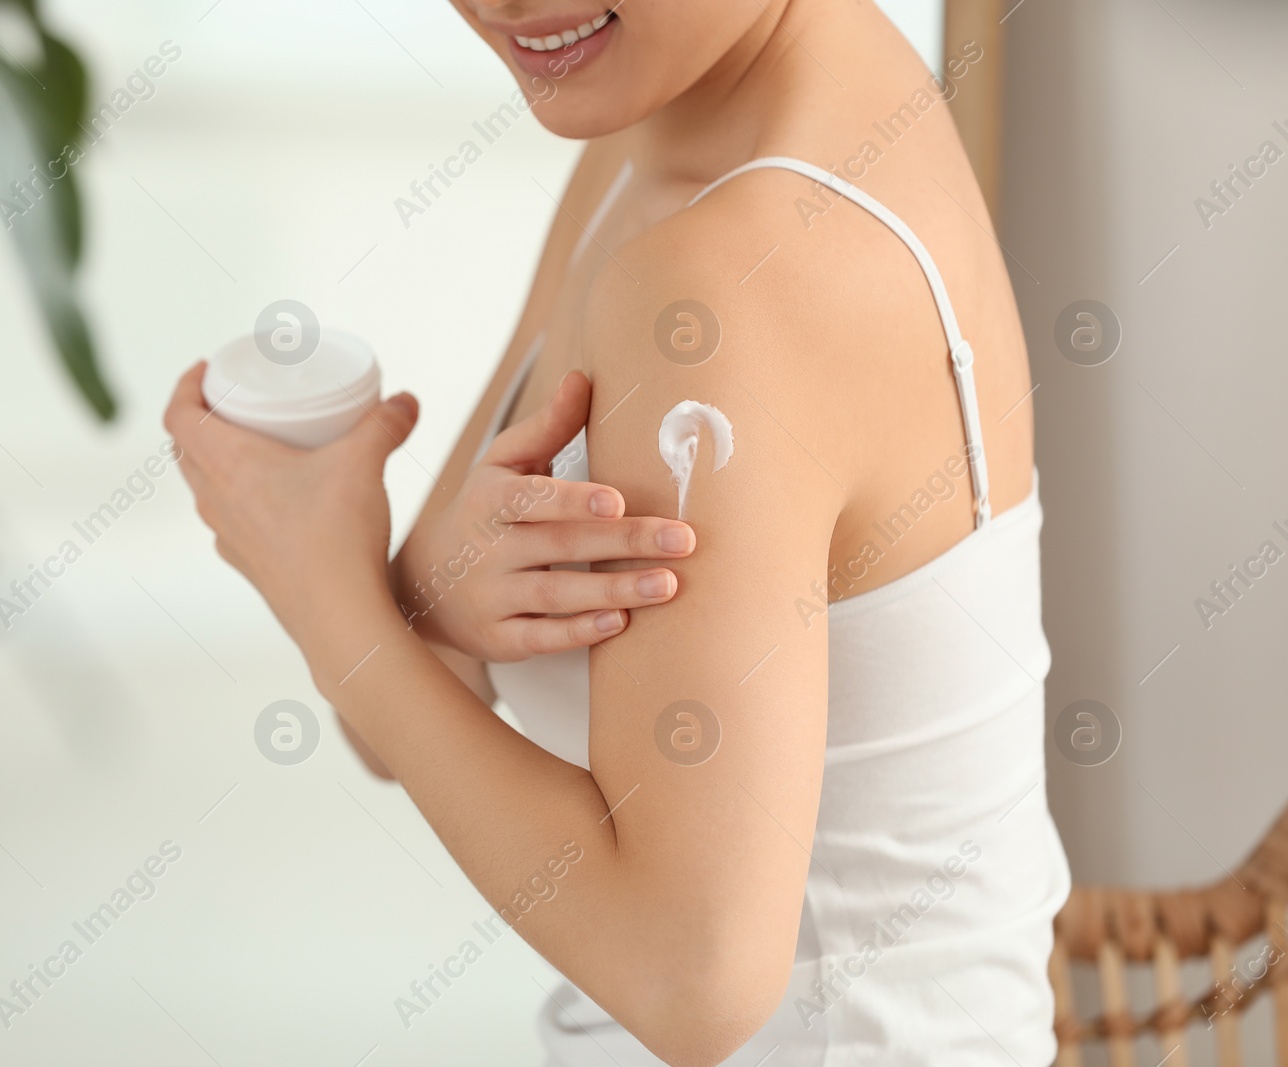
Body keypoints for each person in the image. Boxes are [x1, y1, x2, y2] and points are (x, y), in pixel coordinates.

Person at [165, 0, 1070, 1062]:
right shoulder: (670, 131)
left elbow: (691, 981)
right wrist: (419, 596)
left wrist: (322, 593)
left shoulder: (731, 278)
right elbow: (417, 678)